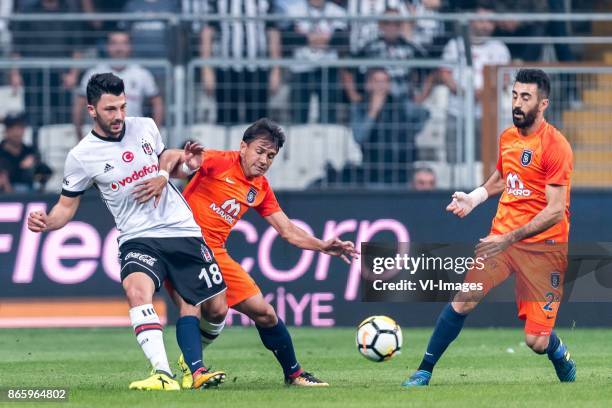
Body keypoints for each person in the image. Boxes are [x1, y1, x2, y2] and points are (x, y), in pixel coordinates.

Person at [26, 73, 228, 391]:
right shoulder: (81, 156)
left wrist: (177, 170)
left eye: (122, 106)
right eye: (110, 109)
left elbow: (168, 160)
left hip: (180, 228)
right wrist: (48, 222)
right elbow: (65, 207)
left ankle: (191, 363)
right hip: (137, 236)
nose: (119, 115)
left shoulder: (145, 125)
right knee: (136, 291)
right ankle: (164, 373)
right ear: (91, 110)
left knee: (216, 310)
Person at [402, 69, 576, 386]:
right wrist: (475, 197)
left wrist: (509, 238)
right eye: (514, 95)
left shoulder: (556, 146)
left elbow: (554, 211)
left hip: (544, 248)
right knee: (465, 298)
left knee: (535, 342)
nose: (517, 103)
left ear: (543, 103)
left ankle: (558, 351)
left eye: (526, 97)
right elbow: (502, 177)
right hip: (501, 240)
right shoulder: (508, 137)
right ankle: (423, 371)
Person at [154, 118, 358, 387]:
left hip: (215, 252)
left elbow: (287, 230)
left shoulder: (260, 188)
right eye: (260, 151)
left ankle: (294, 374)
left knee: (262, 313)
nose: (264, 160)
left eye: (271, 156)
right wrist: (163, 176)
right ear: (243, 147)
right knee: (191, 305)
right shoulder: (217, 161)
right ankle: (196, 371)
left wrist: (322, 245)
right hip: (183, 245)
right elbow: (169, 155)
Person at [73, 30, 164, 139]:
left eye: (124, 43)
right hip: (101, 138)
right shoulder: (93, 73)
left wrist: (154, 135)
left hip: (134, 137)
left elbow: (157, 103)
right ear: (107, 46)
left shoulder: (142, 74)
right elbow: (79, 105)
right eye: (114, 43)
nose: (119, 48)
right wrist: (80, 136)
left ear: (130, 47)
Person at [0, 112, 49, 192]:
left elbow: (45, 173)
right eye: (12, 128)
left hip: (28, 194)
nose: (16, 132)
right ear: (6, 131)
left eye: (20, 127)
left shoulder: (30, 151)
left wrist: (35, 168)